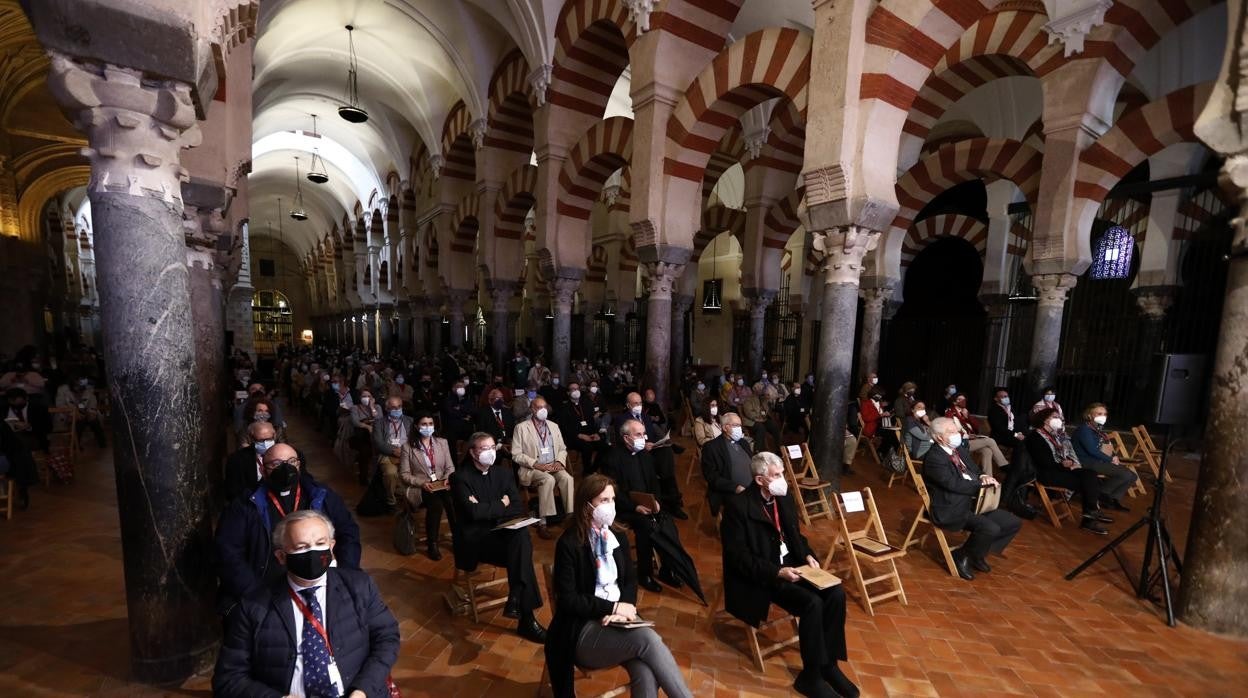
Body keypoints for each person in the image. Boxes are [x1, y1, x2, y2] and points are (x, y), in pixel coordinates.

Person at [212, 510, 400, 698]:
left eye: (320, 544)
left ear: (331, 547)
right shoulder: (254, 606)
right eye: (301, 547)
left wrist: (363, 690)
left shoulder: (359, 586)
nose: (312, 553)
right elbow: (228, 679)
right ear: (281, 557)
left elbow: (387, 638)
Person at [720, 452, 857, 698]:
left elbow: (795, 536)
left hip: (794, 565)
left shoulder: (782, 498)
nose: (783, 479)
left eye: (782, 473)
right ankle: (811, 676)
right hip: (764, 574)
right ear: (760, 479)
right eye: (776, 475)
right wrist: (777, 572)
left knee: (836, 593)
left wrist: (807, 555)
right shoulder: (737, 506)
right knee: (812, 603)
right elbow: (737, 557)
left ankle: (829, 665)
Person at [546, 474, 693, 698]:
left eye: (612, 499)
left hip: (619, 622)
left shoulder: (617, 536)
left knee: (645, 670)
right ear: (587, 505)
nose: (611, 506)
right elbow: (568, 600)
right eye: (604, 500)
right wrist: (613, 609)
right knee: (648, 639)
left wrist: (624, 609)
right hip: (581, 630)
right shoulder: (569, 543)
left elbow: (630, 581)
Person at [215, 443, 362, 614]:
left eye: (291, 461)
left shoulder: (321, 495)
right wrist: (253, 591)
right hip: (267, 584)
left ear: (299, 465)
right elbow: (227, 552)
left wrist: (345, 572)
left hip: (319, 578)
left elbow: (348, 532)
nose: (285, 468)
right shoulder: (245, 505)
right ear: (262, 469)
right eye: (276, 464)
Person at [449, 432, 547, 643]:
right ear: (473, 452)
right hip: (477, 541)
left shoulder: (503, 474)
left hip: (503, 536)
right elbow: (473, 514)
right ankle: (524, 614)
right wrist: (502, 504)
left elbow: (518, 507)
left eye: (493, 447)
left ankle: (517, 599)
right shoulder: (459, 478)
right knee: (521, 550)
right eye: (484, 449)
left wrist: (485, 507)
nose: (490, 452)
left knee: (520, 536)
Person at [922, 418, 1021, 581]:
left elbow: (974, 469)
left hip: (973, 502)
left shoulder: (958, 449)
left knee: (1012, 522)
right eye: (952, 432)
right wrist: (979, 485)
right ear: (939, 437)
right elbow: (953, 484)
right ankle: (961, 556)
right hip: (951, 508)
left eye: (956, 430)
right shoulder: (935, 458)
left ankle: (976, 553)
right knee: (990, 528)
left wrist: (983, 476)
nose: (957, 434)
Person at [601, 419, 690, 593]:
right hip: (624, 508)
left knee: (667, 523)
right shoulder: (611, 458)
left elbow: (654, 484)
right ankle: (645, 573)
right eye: (639, 434)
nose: (644, 438)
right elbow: (613, 493)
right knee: (646, 526)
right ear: (626, 438)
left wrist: (655, 501)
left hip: (647, 504)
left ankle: (667, 569)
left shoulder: (644, 455)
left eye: (644, 434)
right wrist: (635, 507)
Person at [1025, 408, 1112, 535]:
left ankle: (1091, 512)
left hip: (1059, 469)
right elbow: (1044, 462)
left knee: (1090, 474)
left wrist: (1069, 463)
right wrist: (1064, 465)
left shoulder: (1055, 435)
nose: (1058, 420)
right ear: (1045, 419)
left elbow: (1064, 453)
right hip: (1046, 473)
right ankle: (1089, 518)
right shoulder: (1036, 436)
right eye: (1055, 417)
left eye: (1059, 417)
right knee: (1087, 483)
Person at [511, 396, 575, 538]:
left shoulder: (554, 426)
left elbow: (563, 449)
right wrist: (536, 464)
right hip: (533, 469)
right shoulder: (521, 428)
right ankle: (543, 523)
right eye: (539, 407)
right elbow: (516, 454)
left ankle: (570, 517)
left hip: (553, 465)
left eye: (544, 407)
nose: (543, 410)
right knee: (548, 480)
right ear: (532, 409)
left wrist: (559, 462)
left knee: (567, 478)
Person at [398, 412, 456, 560]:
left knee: (452, 501)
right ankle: (433, 544)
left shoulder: (442, 442)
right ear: (417, 426)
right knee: (436, 504)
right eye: (424, 424)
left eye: (430, 424)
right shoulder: (407, 447)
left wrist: (447, 479)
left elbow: (450, 467)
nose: (428, 427)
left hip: (441, 483)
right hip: (420, 487)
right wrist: (422, 483)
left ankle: (458, 538)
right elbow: (404, 474)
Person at [1072, 403, 1138, 512]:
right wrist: (1110, 459)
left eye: (1105, 414)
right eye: (1099, 413)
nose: (1103, 416)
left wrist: (1114, 456)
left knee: (1133, 476)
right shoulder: (1085, 430)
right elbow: (1092, 450)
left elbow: (1106, 447)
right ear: (1089, 415)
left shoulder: (1098, 429)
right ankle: (1100, 494)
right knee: (1125, 474)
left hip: (1098, 460)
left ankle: (1113, 499)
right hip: (1086, 461)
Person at [700, 412, 754, 516]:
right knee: (749, 509)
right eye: (736, 425)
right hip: (731, 490)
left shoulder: (743, 442)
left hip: (753, 487)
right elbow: (711, 477)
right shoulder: (711, 447)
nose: (740, 429)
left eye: (740, 425)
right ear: (725, 428)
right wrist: (735, 487)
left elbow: (752, 462)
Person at [944, 393, 1008, 475]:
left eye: (964, 399)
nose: (963, 401)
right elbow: (950, 430)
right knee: (990, 441)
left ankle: (988, 479)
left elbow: (977, 428)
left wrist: (968, 417)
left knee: (987, 451)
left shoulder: (965, 412)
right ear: (954, 402)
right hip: (961, 443)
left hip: (971, 440)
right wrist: (967, 436)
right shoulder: (949, 413)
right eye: (960, 399)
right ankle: (1003, 465)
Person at [370, 397, 411, 510]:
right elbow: (378, 442)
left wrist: (406, 451)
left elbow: (415, 439)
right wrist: (393, 450)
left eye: (399, 407)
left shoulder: (410, 421)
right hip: (387, 453)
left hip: (407, 453)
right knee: (390, 473)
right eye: (393, 407)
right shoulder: (379, 423)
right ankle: (391, 500)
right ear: (387, 408)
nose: (397, 410)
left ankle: (412, 498)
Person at [557, 381, 605, 475]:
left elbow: (591, 422)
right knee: (587, 447)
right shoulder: (564, 407)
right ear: (568, 393)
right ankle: (587, 473)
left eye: (577, 389)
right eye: (573, 389)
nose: (576, 391)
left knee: (605, 446)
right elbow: (564, 427)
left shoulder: (586, 404)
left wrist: (596, 434)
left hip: (589, 435)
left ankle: (593, 469)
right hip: (573, 437)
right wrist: (580, 435)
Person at [224, 421, 277, 503]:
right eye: (261, 441)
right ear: (251, 439)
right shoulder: (236, 459)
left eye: (269, 439)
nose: (266, 444)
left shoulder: (287, 454)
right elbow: (233, 491)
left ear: (274, 436)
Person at [54, 376, 107, 447]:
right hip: (68, 414)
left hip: (83, 411)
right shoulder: (62, 390)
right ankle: (75, 445)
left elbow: (92, 404)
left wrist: (91, 412)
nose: (78, 389)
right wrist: (74, 413)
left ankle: (102, 443)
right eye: (76, 385)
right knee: (79, 422)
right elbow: (60, 405)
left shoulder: (88, 390)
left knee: (94, 420)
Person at [349, 388, 381, 485]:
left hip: (376, 436)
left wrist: (372, 407)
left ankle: (378, 478)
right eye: (364, 396)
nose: (366, 398)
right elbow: (355, 422)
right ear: (360, 398)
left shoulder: (377, 407)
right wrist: (367, 426)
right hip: (361, 436)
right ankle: (363, 477)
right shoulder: (355, 408)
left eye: (368, 396)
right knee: (365, 451)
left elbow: (380, 420)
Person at [4, 387, 50, 454]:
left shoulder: (39, 408)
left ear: (26, 398)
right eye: (12, 403)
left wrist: (29, 426)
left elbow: (48, 427)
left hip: (33, 438)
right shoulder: (3, 409)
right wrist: (11, 426)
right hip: (9, 440)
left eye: (19, 404)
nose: (16, 406)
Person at [441, 379, 477, 458]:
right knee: (451, 438)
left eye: (463, 387)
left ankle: (467, 460)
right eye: (459, 387)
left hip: (466, 427)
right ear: (453, 388)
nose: (462, 389)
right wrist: (464, 415)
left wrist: (460, 408)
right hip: (452, 427)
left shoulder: (468, 399)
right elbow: (451, 412)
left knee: (473, 438)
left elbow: (473, 411)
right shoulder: (448, 399)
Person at [859, 388, 897, 458]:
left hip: (880, 425)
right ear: (873, 394)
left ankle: (884, 453)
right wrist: (881, 415)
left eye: (881, 395)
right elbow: (866, 418)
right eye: (879, 395)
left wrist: (888, 415)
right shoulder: (866, 403)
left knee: (894, 434)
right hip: (872, 427)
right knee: (891, 434)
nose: (880, 397)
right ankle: (882, 453)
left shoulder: (879, 404)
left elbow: (880, 415)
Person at [986, 387, 1025, 456]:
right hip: (1001, 436)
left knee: (1030, 439)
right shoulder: (993, 410)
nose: (1006, 398)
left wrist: (1020, 432)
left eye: (1006, 396)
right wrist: (1016, 435)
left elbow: (1017, 422)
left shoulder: (1010, 408)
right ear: (996, 399)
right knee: (1021, 444)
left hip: (1013, 434)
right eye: (1003, 397)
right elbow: (1000, 428)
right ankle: (1016, 464)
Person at [741, 385, 780, 452]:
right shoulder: (748, 399)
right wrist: (758, 416)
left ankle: (778, 447)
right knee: (761, 428)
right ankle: (757, 449)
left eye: (762, 389)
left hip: (763, 419)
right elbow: (749, 413)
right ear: (755, 390)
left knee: (774, 425)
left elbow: (766, 410)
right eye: (760, 389)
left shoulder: (763, 399)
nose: (762, 390)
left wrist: (766, 401)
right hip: (752, 421)